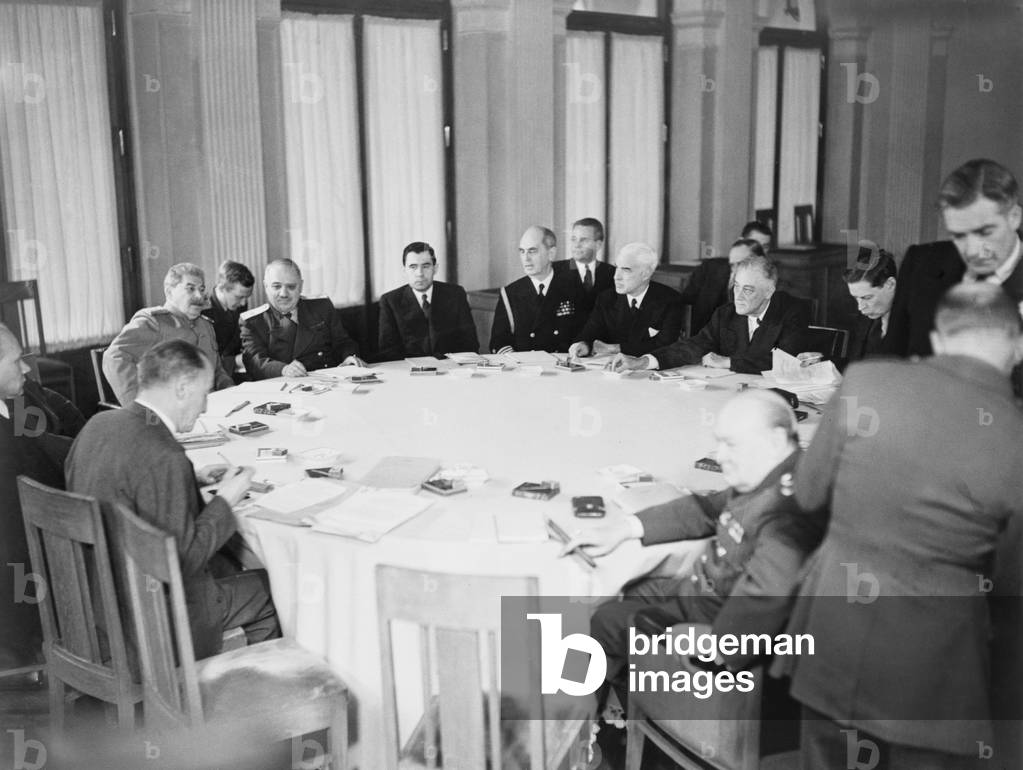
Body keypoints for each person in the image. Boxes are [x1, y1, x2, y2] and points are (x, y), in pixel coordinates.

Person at [780, 282, 1023, 768]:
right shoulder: (1014, 435)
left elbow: (806, 495)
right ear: (1018, 346)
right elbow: (1011, 583)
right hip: (934, 670)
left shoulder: (866, 380)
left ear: (936, 340)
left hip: (832, 632)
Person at [563, 391, 820, 709]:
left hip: (713, 621)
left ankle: (570, 726)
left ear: (775, 440)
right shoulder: (779, 473)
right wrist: (623, 528)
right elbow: (708, 508)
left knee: (601, 620)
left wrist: (721, 645)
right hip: (702, 594)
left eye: (732, 444)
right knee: (631, 589)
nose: (720, 455)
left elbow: (770, 593)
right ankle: (619, 698)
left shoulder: (785, 511)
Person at [67, 340, 280, 660]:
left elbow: (123, 482)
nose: (206, 407)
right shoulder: (166, 456)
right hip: (152, 623)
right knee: (271, 588)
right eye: (204, 393)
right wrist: (225, 500)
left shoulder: (98, 424)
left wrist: (191, 478)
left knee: (229, 566)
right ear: (182, 388)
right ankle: (231, 696)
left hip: (95, 609)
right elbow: (182, 562)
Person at [0, 324, 81, 674]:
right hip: (24, 586)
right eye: (17, 361)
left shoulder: (10, 407)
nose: (26, 368)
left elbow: (46, 444)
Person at [886, 158, 1023, 358]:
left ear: (1014, 217)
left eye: (985, 232)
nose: (973, 250)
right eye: (959, 235)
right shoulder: (922, 263)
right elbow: (891, 355)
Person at [611, 255, 809, 374]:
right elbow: (695, 345)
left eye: (747, 290)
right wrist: (643, 361)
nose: (737, 296)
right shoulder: (727, 313)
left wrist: (729, 362)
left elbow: (786, 361)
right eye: (736, 287)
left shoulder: (792, 311)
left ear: (769, 291)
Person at [103, 262, 234, 405]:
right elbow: (114, 357)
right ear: (169, 292)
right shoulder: (153, 322)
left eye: (201, 289)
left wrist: (231, 393)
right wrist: (140, 409)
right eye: (190, 289)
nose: (199, 296)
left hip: (211, 409)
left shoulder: (205, 325)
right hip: (175, 414)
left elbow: (217, 370)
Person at [241, 259, 363, 379]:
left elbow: (342, 342)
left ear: (301, 286)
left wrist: (349, 357)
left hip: (329, 381)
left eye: (291, 286)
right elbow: (255, 363)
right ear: (266, 286)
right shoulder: (253, 322)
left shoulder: (321, 307)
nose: (283, 293)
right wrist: (284, 369)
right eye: (276, 286)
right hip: (283, 388)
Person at [567, 242, 683, 359]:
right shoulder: (607, 298)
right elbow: (590, 332)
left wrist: (616, 348)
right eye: (617, 267)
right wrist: (584, 344)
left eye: (626, 270)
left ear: (645, 274)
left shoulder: (670, 300)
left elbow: (665, 345)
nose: (616, 276)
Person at [489, 226, 584, 354]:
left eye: (532, 251)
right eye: (522, 251)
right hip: (525, 368)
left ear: (551, 253)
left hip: (563, 367)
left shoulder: (574, 288)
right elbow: (498, 342)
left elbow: (583, 336)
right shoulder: (510, 293)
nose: (526, 258)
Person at [377, 241, 478, 361]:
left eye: (426, 266)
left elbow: (470, 343)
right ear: (404, 270)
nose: (419, 273)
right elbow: (388, 350)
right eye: (413, 267)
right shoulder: (390, 301)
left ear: (435, 268)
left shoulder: (455, 294)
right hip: (411, 373)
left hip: (452, 370)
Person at [679, 238, 767, 334]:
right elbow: (684, 302)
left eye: (741, 264)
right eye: (732, 265)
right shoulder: (710, 270)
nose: (735, 270)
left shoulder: (768, 288)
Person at [842, 246, 897, 362]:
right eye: (856, 298)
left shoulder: (916, 324)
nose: (860, 307)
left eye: (867, 298)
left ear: (890, 284)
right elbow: (855, 363)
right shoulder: (866, 318)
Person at [202, 260, 255, 379]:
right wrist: (235, 361)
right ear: (222, 288)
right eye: (239, 297)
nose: (244, 303)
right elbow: (203, 362)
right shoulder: (202, 311)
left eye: (247, 297)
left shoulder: (238, 304)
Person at [553, 217, 615, 314]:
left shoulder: (612, 273)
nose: (577, 245)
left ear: (598, 245)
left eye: (583, 240)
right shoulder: (554, 271)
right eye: (574, 239)